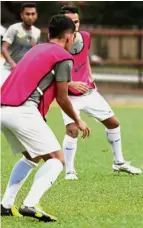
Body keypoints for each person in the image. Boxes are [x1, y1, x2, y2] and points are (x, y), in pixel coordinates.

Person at [1, 14, 91, 222]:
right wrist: (78, 120)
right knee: (57, 160)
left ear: (49, 33)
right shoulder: (63, 57)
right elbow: (62, 97)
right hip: (22, 110)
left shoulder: (36, 49)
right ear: (69, 37)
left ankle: (5, 204)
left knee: (32, 156)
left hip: (4, 108)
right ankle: (31, 204)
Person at [59, 5, 142, 180]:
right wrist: (70, 83)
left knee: (113, 123)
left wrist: (91, 77)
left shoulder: (86, 37)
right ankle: (69, 171)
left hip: (88, 92)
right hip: (69, 95)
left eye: (76, 21)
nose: (74, 25)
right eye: (70, 22)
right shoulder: (57, 43)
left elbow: (85, 57)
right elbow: (53, 70)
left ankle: (119, 163)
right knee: (72, 130)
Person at [1, 2, 40, 86]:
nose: (30, 17)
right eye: (27, 14)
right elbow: (4, 48)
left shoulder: (37, 32)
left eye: (33, 14)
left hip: (25, 71)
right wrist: (11, 63)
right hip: (9, 70)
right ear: (22, 15)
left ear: (36, 15)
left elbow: (35, 51)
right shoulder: (14, 29)